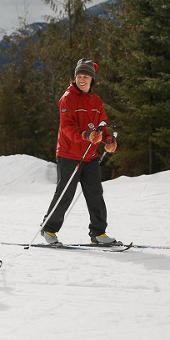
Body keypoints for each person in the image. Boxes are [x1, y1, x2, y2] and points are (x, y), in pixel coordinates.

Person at [39, 58, 118, 246]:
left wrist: (108, 139)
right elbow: (66, 127)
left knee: (95, 193)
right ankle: (48, 228)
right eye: (79, 76)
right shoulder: (67, 98)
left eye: (86, 77)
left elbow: (102, 124)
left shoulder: (96, 100)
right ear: (75, 78)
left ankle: (98, 233)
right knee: (66, 193)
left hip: (90, 155)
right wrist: (86, 134)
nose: (82, 80)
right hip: (68, 155)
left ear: (92, 80)